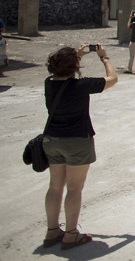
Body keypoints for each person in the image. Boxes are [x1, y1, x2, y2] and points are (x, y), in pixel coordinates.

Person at [41, 43, 118, 250]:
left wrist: (78, 55)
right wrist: (104, 58)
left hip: (52, 141)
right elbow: (112, 79)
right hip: (77, 141)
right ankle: (71, 234)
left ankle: (51, 231)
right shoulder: (81, 86)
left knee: (55, 187)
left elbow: (64, 71)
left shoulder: (49, 83)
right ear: (75, 66)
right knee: (74, 188)